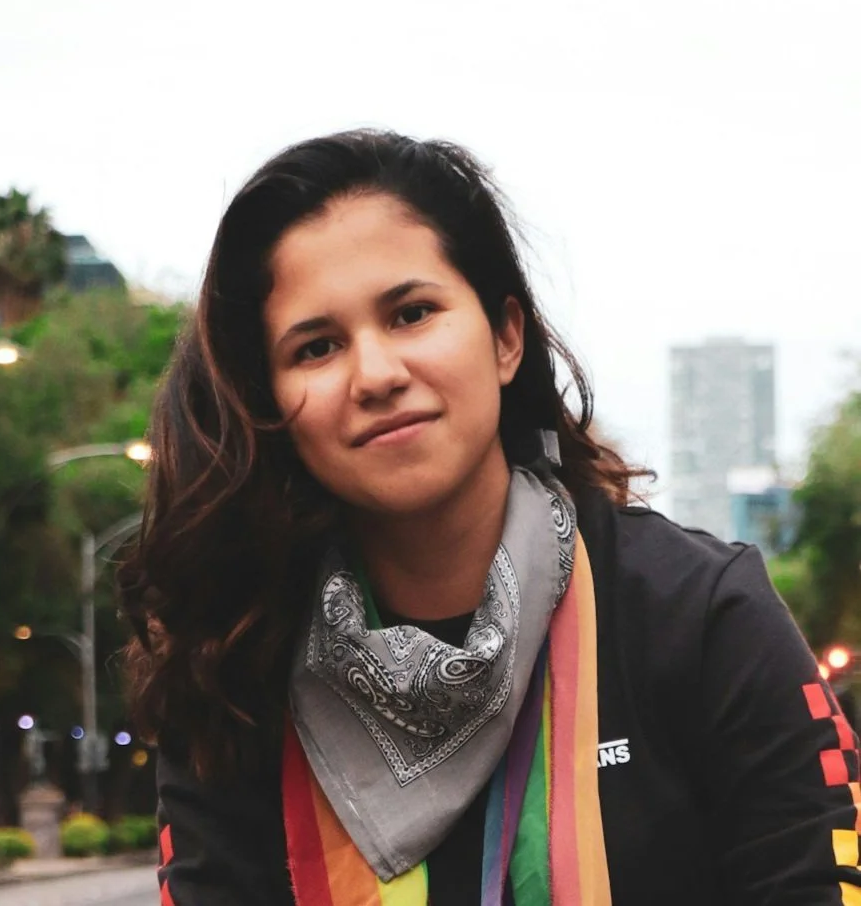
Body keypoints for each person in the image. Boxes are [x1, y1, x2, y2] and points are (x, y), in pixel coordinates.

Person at [118, 130, 861, 906]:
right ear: (267, 403)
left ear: (507, 337)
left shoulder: (704, 618)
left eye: (411, 313)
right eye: (316, 348)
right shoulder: (233, 665)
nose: (375, 374)